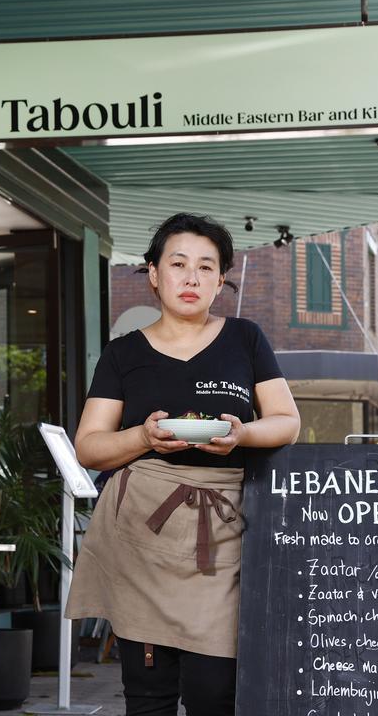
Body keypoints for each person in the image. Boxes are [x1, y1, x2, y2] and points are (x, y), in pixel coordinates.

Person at [66, 213, 300, 716]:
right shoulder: (122, 354)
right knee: (147, 694)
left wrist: (243, 434)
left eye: (205, 267)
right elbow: (89, 446)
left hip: (225, 532)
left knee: (215, 691)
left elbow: (286, 422)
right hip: (142, 535)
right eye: (177, 264)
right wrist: (142, 436)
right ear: (153, 273)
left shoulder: (246, 338)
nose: (191, 278)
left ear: (221, 280)